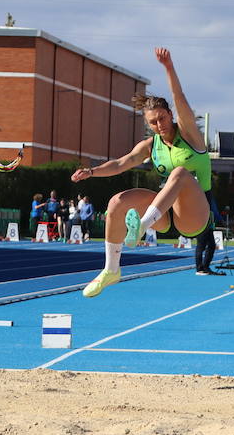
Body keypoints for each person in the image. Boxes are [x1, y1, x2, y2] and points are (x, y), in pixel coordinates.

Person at [71, 47, 217, 297]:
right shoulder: (151, 145)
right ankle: (111, 270)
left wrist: (169, 67)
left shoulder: (190, 135)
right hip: (163, 213)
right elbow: (120, 164)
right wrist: (92, 171)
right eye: (153, 122)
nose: (159, 125)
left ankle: (140, 227)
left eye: (162, 118)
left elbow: (179, 97)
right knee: (117, 202)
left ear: (170, 115)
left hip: (195, 215)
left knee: (180, 173)